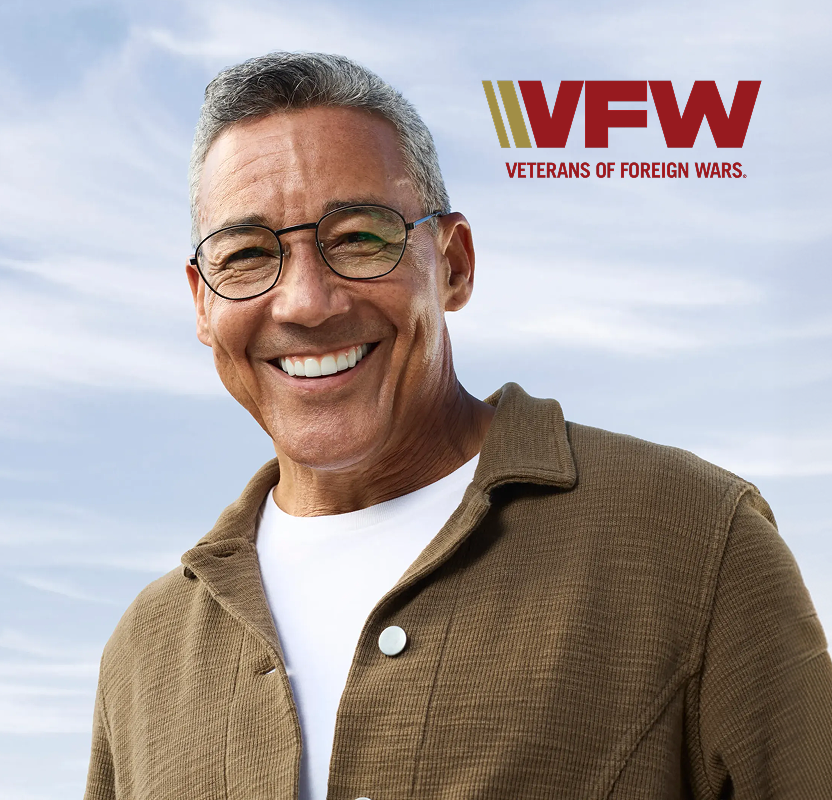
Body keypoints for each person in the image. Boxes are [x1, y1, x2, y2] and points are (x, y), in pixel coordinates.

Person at [84, 52, 832, 800]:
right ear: (203, 306)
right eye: (246, 255)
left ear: (454, 264)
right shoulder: (144, 650)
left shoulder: (697, 538)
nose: (307, 302)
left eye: (359, 238)